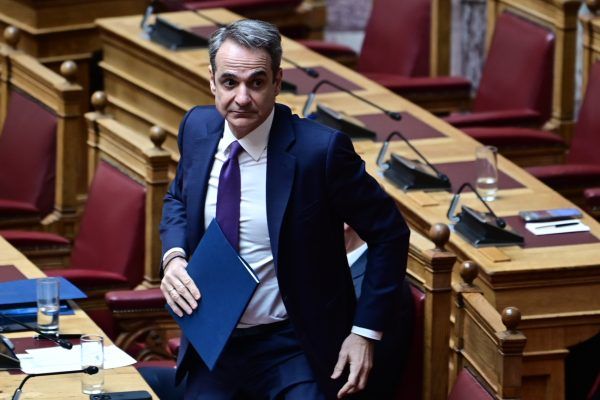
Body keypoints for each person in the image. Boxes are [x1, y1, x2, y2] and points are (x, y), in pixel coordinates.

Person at [159, 19, 410, 400]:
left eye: (256, 82)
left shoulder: (320, 153)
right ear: (212, 81)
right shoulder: (197, 128)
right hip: (216, 343)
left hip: (293, 346)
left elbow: (389, 233)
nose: (242, 97)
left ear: (277, 82)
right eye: (230, 82)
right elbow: (178, 197)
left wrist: (364, 333)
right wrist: (174, 257)